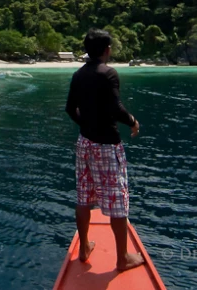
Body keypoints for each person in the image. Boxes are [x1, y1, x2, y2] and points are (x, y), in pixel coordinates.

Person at [65, 28, 144, 271]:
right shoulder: (108, 74)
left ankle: (85, 247)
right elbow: (116, 109)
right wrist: (132, 121)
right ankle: (122, 259)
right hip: (107, 146)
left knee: (83, 195)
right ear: (106, 50)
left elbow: (70, 108)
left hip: (85, 143)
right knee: (118, 201)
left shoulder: (78, 75)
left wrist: (87, 124)